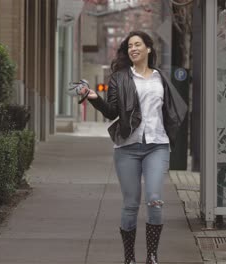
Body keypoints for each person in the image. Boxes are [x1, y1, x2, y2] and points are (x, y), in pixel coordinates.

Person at [80, 30, 187, 264]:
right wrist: (94, 98)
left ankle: (151, 256)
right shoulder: (119, 78)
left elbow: (172, 109)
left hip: (157, 146)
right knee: (130, 204)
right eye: (130, 46)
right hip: (127, 147)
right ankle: (129, 258)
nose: (133, 49)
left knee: (155, 199)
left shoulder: (161, 77)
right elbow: (112, 112)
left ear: (149, 48)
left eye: (138, 44)